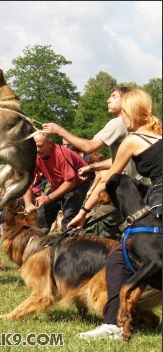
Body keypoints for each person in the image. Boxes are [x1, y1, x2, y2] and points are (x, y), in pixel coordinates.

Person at [69, 89, 162, 339]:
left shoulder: (133, 139)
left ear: (130, 112)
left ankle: (113, 324)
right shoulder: (158, 135)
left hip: (159, 206)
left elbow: (110, 182)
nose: (122, 118)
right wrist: (94, 166)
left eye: (122, 112)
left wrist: (84, 212)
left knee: (119, 258)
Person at [42, 86, 142, 236]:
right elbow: (120, 160)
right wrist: (92, 167)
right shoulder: (134, 123)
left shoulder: (118, 123)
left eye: (114, 96)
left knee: (90, 237)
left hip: (122, 192)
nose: (108, 100)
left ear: (125, 101)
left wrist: (59, 131)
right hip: (139, 190)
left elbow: (89, 147)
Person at [23, 133, 90, 232]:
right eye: (34, 146)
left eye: (40, 146)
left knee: (68, 219)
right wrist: (28, 203)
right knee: (40, 219)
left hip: (77, 185)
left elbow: (70, 182)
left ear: (50, 143)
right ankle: (39, 244)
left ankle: (71, 242)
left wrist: (49, 197)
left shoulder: (62, 154)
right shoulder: (34, 156)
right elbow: (26, 181)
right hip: (58, 185)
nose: (37, 150)